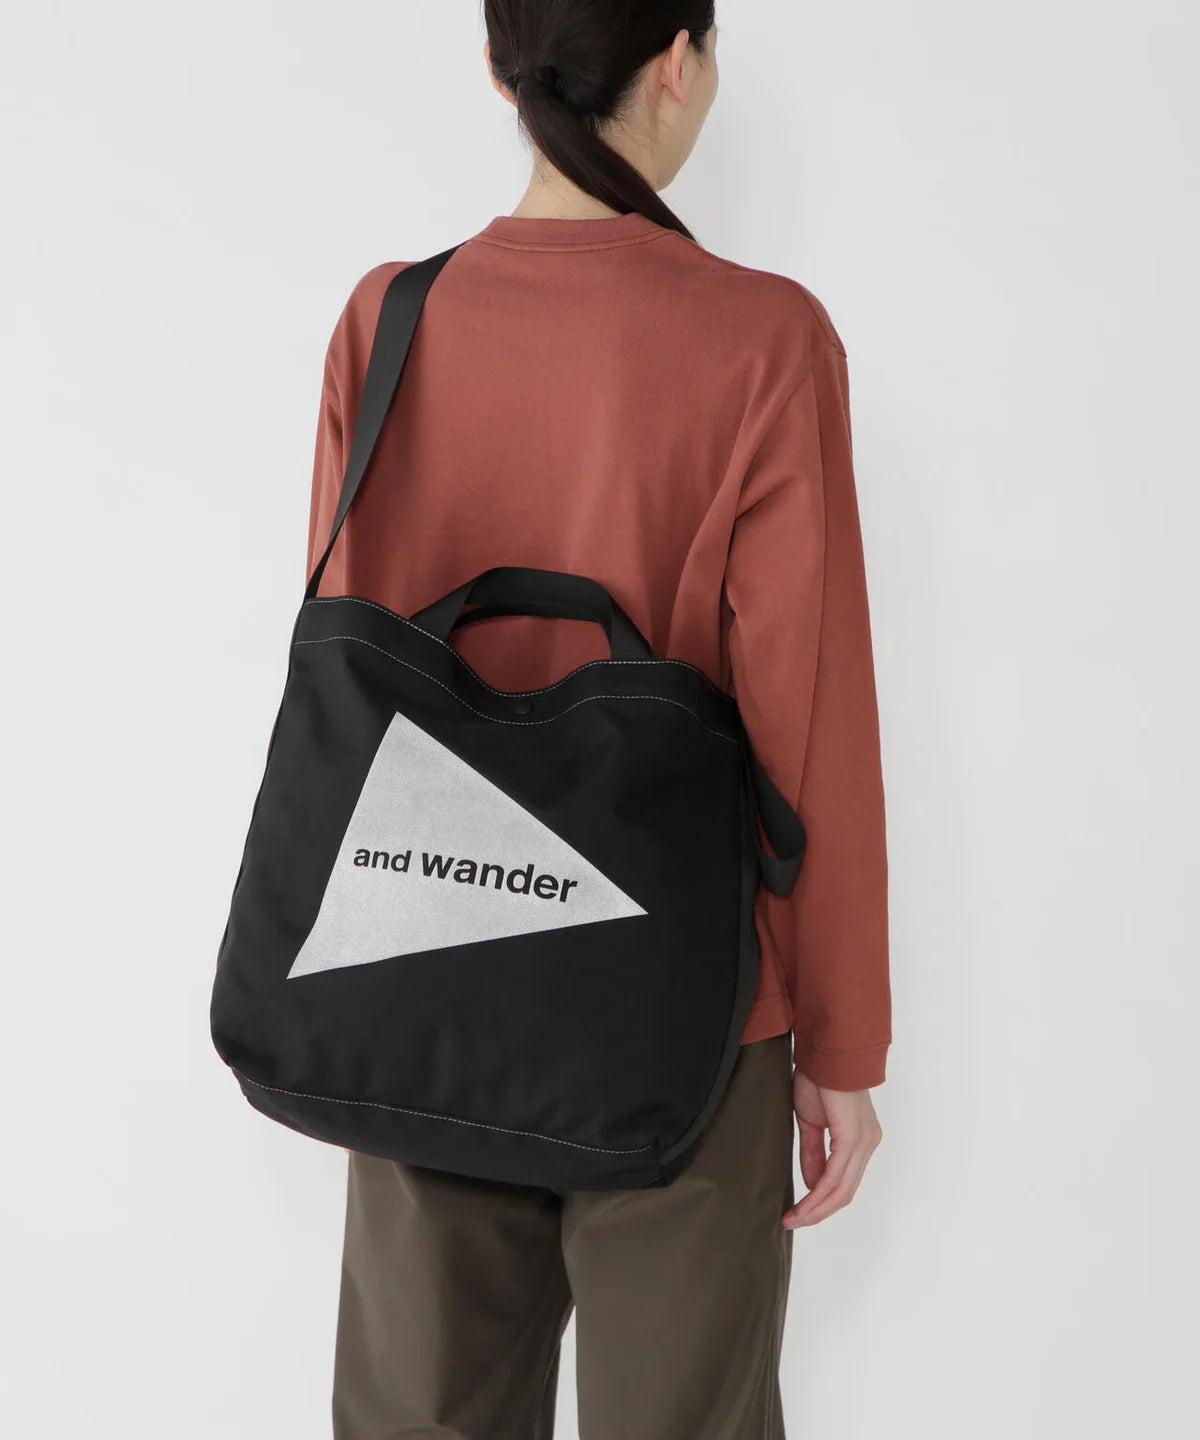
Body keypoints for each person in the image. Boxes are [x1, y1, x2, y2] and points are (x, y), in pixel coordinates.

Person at [307, 4, 891, 1436]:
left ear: (497, 64)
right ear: (679, 61)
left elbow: (346, 667)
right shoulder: (762, 339)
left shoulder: (389, 320)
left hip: (424, 966)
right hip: (685, 1003)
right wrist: (840, 1042)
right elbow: (810, 718)